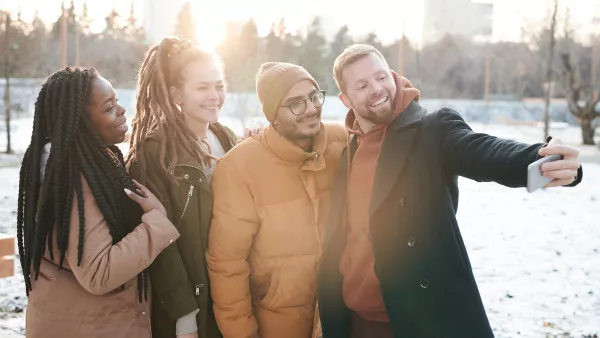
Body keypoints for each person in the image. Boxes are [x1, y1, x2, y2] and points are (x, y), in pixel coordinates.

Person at [316, 44, 583, 338]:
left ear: (393, 75)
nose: (377, 89)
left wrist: (540, 159)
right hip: (357, 323)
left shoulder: (431, 129)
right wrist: (255, 137)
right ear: (345, 99)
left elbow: (483, 151)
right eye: (363, 85)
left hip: (421, 320)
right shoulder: (348, 149)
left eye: (381, 77)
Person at [17, 67, 179, 338]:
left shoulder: (81, 165)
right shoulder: (76, 179)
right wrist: (156, 223)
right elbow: (98, 273)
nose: (121, 110)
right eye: (108, 108)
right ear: (81, 123)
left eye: (116, 101)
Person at [206, 62, 347, 338]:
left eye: (313, 96)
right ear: (273, 116)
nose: (310, 108)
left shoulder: (341, 141)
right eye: (295, 103)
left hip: (340, 317)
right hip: (277, 323)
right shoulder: (239, 167)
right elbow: (227, 264)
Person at [126, 37, 237, 338]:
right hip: (189, 305)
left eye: (219, 85)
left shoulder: (227, 138)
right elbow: (157, 239)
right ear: (177, 94)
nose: (214, 96)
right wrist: (184, 313)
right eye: (202, 87)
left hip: (230, 293)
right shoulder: (154, 152)